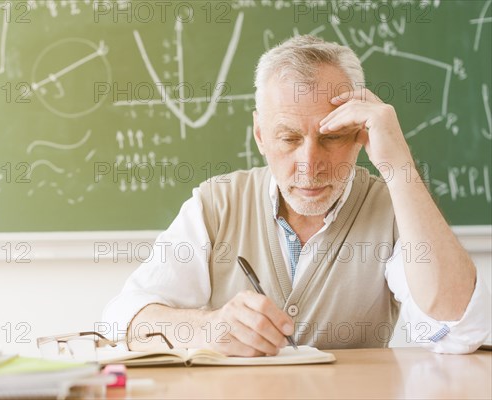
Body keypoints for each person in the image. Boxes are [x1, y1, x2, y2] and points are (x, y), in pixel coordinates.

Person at [102, 35, 490, 356]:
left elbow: (460, 330)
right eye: (288, 138)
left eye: (332, 137)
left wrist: (398, 166)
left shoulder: (392, 210)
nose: (309, 164)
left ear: (360, 134)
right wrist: (206, 327)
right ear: (260, 135)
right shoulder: (217, 204)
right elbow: (120, 320)